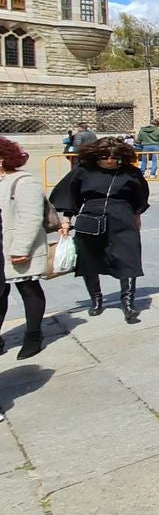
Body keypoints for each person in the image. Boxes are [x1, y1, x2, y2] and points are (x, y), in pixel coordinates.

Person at [50, 137, 149, 323]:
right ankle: (96, 299)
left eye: (114, 157)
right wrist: (65, 221)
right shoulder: (83, 170)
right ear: (96, 155)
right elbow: (70, 195)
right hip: (90, 218)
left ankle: (128, 303)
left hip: (122, 218)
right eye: (105, 156)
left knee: (128, 258)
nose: (110, 160)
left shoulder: (131, 173)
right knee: (89, 259)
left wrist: (137, 216)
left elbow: (140, 196)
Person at [0, 137, 50, 359]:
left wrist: (21, 248)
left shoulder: (22, 181)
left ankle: (33, 336)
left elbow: (31, 218)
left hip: (16, 245)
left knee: (28, 289)